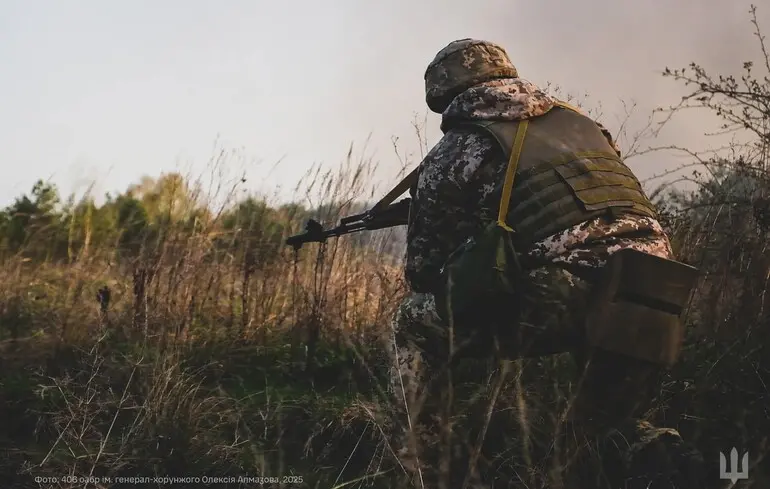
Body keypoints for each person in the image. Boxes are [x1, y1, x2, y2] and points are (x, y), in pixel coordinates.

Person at [388, 38, 704, 488]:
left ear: (444, 93)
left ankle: (425, 467)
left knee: (412, 321)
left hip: (563, 294)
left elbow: (424, 272)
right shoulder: (584, 125)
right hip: (655, 291)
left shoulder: (457, 149)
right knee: (599, 436)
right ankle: (668, 462)